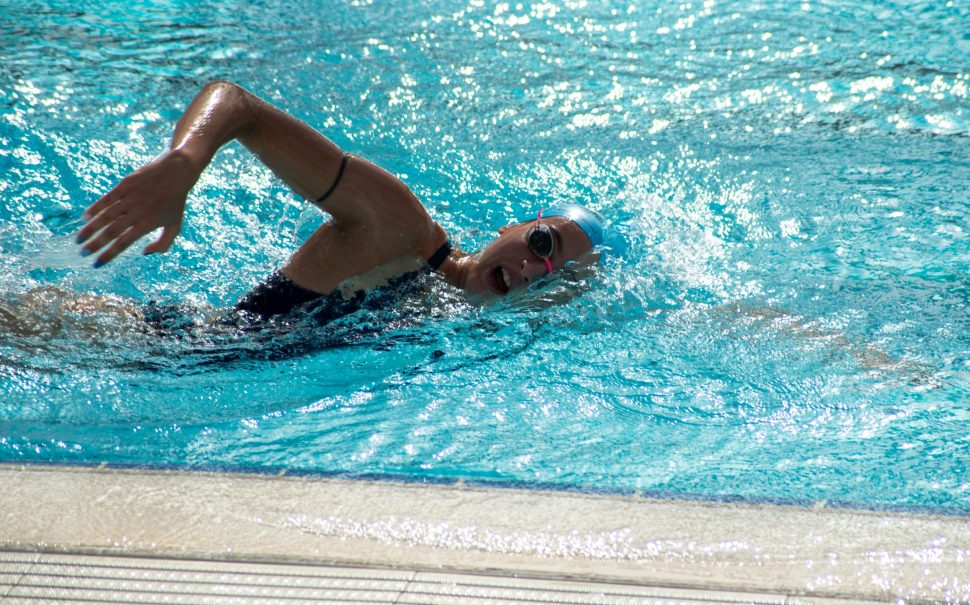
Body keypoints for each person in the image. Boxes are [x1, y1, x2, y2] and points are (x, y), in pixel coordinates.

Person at [76, 81, 611, 324]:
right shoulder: (401, 228)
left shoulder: (449, 322)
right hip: (139, 342)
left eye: (548, 277)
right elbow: (239, 105)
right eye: (542, 242)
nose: (525, 269)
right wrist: (185, 163)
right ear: (517, 224)